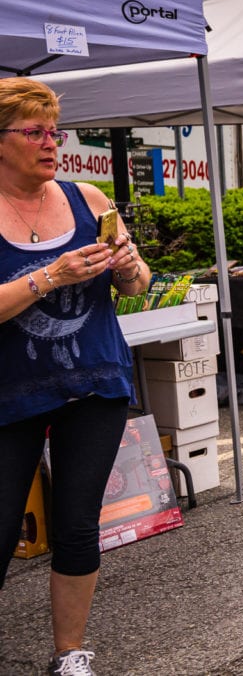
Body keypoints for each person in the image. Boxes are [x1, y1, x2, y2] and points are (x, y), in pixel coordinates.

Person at [0, 77, 151, 675]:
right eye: (33, 131)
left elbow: (134, 286)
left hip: (93, 383)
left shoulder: (87, 199)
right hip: (9, 391)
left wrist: (131, 266)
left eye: (54, 131)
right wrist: (50, 277)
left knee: (77, 523)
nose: (50, 142)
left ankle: (70, 655)